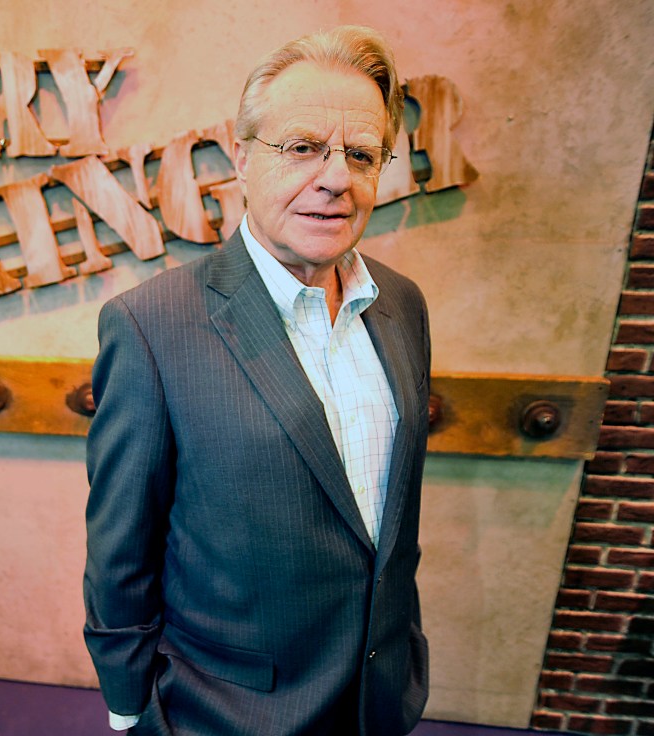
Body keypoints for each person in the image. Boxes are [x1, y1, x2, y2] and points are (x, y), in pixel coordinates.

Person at [84, 25, 430, 736]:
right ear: (242, 159)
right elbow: (121, 552)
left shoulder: (402, 306)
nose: (334, 177)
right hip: (227, 714)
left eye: (360, 155)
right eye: (302, 147)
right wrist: (130, 710)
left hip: (379, 700)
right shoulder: (152, 326)